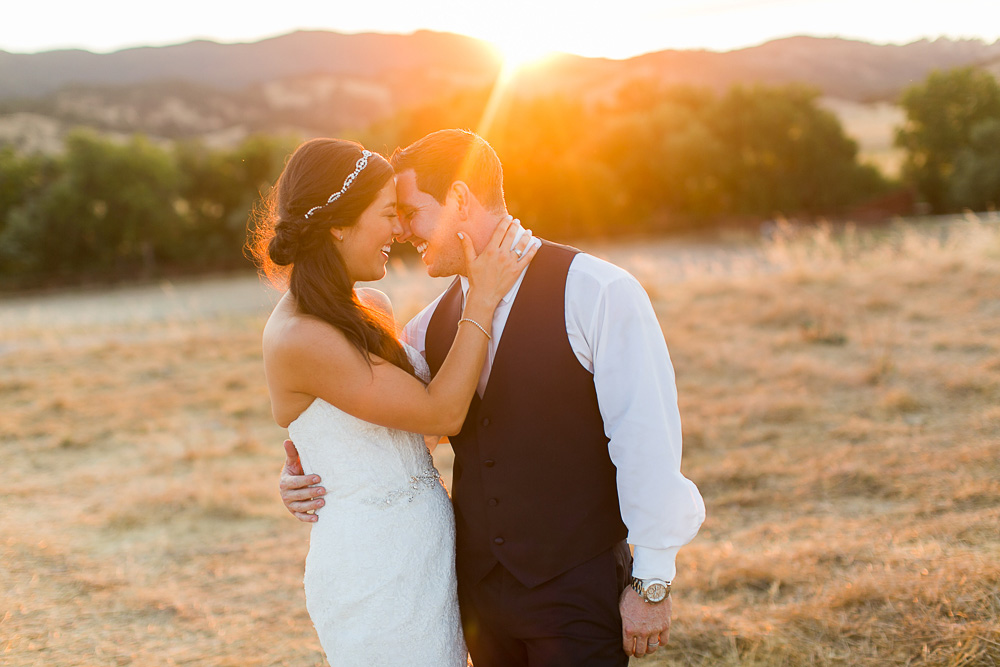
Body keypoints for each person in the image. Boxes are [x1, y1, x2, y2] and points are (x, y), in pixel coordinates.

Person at [279, 129, 706, 666]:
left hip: (576, 589)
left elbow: (646, 441)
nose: (402, 230)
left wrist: (653, 582)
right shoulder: (427, 327)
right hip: (474, 599)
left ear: (459, 198)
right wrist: (311, 473)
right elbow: (392, 431)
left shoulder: (598, 292)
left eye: (411, 212)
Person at [254, 137, 539, 666]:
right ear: (339, 225)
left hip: (428, 554)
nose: (400, 231)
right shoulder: (298, 335)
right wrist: (482, 297)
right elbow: (441, 412)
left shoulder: (371, 306)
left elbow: (409, 428)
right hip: (373, 570)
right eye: (389, 214)